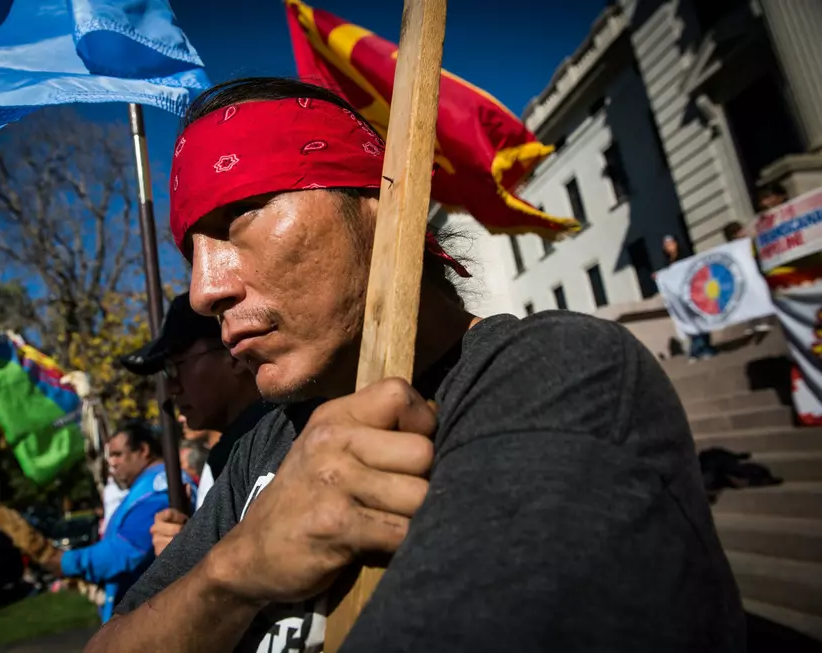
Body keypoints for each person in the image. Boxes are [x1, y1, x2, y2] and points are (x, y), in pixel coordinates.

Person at [86, 78, 744, 653]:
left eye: (239, 215)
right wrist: (233, 571)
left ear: (382, 208)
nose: (203, 290)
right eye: (191, 251)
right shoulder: (266, 440)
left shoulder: (557, 374)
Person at [120, 291, 266, 554]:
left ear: (233, 353)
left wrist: (193, 555)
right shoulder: (230, 452)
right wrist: (193, 539)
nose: (171, 388)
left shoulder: (272, 442)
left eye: (176, 367)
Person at [42, 421, 195, 623]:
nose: (111, 463)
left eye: (117, 454)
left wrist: (66, 562)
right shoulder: (147, 486)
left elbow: (125, 551)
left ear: (143, 450)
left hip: (149, 617)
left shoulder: (161, 489)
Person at [662, 234, 718, 361]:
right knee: (689, 322)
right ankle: (697, 349)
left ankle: (704, 348)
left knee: (700, 320)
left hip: (694, 294)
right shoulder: (668, 262)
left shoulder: (685, 257)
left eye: (670, 244)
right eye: (666, 245)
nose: (668, 247)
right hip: (681, 299)